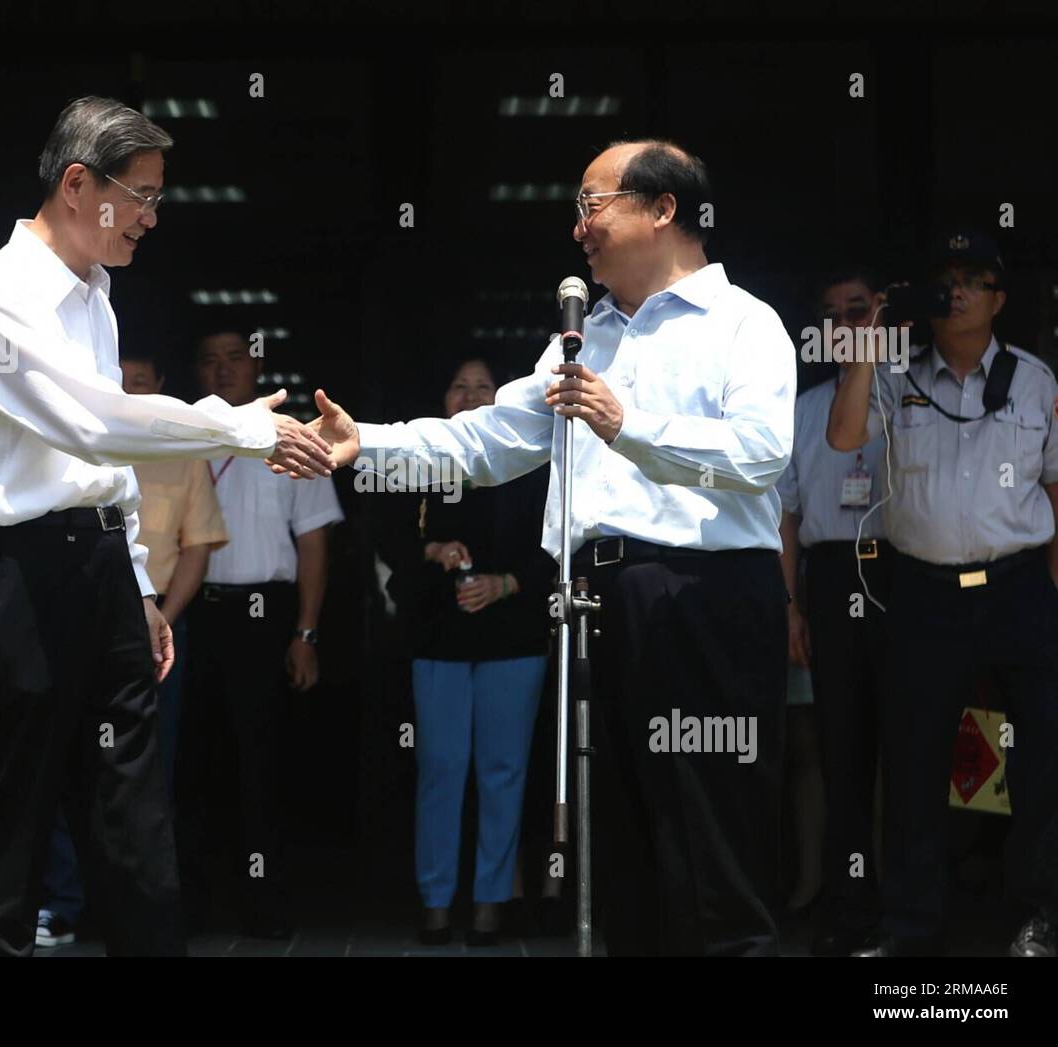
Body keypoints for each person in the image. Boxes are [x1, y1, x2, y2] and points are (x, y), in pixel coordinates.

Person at [283, 138, 797, 955]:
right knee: (619, 848)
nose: (579, 229)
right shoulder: (582, 339)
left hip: (703, 598)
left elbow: (762, 452)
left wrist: (628, 426)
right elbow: (484, 442)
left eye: (594, 206)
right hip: (595, 603)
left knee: (712, 838)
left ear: (664, 209)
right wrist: (365, 444)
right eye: (577, 210)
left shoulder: (745, 323)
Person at [0, 96, 335, 957]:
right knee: (9, 830)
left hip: (104, 570)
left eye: (157, 196)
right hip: (12, 578)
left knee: (133, 818)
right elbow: (92, 423)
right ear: (79, 184)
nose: (151, 218)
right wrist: (239, 425)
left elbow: (106, 467)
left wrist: (142, 587)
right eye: (140, 195)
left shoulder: (98, 297)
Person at [827, 228, 1058, 957]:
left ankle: (1040, 914)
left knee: (1044, 753)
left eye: (971, 279)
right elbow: (841, 436)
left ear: (998, 297)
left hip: (1020, 585)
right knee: (916, 757)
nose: (954, 292)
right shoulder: (898, 376)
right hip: (925, 590)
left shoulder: (1035, 381)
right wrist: (869, 341)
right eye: (942, 279)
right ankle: (911, 926)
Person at [34, 348, 230, 949]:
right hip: (79, 616)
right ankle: (64, 901)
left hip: (158, 623)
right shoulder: (78, 442)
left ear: (163, 387)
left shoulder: (182, 454)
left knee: (145, 770)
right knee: (66, 757)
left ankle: (139, 909)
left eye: (141, 383)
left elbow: (197, 548)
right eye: (120, 384)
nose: (131, 391)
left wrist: (162, 621)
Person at [377, 358, 555, 946]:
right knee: (441, 769)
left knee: (504, 772)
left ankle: (491, 900)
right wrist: (432, 552)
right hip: (438, 636)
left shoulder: (530, 465)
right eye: (460, 385)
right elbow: (388, 541)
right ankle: (434, 900)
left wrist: (505, 584)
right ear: (442, 397)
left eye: (485, 387)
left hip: (514, 636)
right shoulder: (417, 461)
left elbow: (557, 545)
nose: (472, 396)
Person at [180, 328, 344, 939]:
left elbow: (314, 543)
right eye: (209, 361)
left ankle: (266, 908)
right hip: (191, 612)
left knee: (261, 765)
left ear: (257, 369)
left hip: (264, 615)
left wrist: (306, 632)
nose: (222, 372)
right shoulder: (183, 434)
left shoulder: (294, 438)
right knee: (190, 764)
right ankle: (192, 906)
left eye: (234, 360)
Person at [777, 266, 891, 955]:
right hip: (828, 575)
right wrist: (791, 607)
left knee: (909, 747)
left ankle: (906, 910)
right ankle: (845, 908)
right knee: (837, 750)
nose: (848, 324)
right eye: (836, 313)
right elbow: (786, 517)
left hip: (904, 573)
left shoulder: (911, 396)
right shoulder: (800, 407)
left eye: (861, 310)